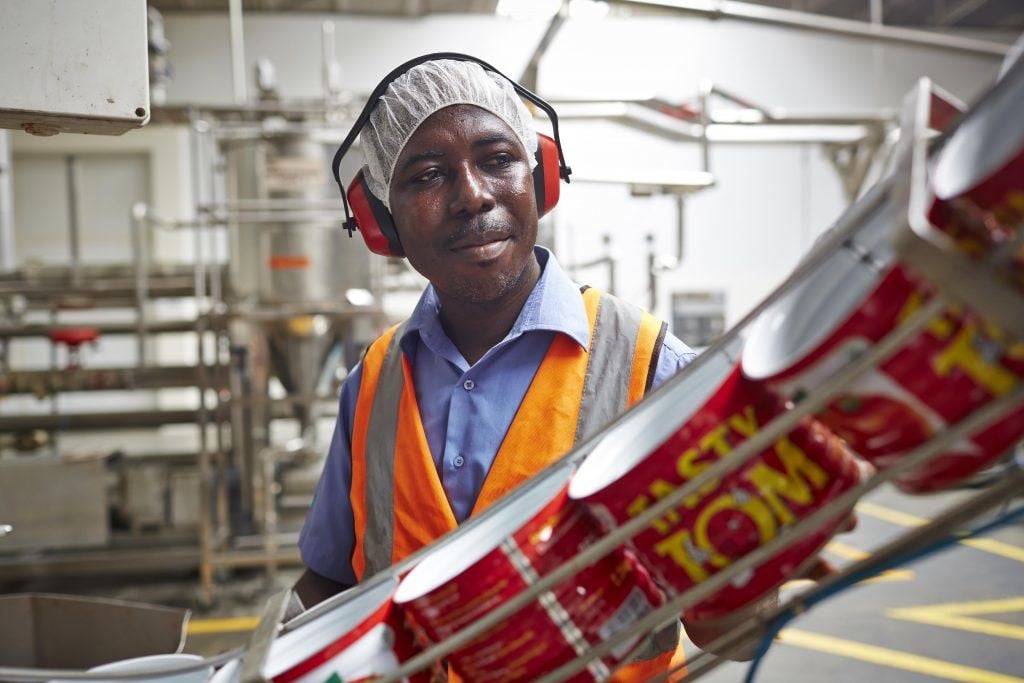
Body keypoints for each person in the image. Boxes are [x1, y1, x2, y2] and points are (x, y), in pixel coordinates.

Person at [296, 56, 700, 679]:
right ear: (382, 222)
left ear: (540, 178)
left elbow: (730, 623)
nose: (473, 195)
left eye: (497, 160)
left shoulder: (652, 367)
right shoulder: (374, 382)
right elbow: (328, 580)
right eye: (428, 175)